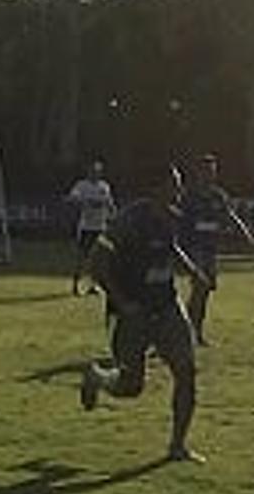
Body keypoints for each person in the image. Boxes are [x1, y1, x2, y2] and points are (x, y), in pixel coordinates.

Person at [80, 163, 213, 462]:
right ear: (157, 188)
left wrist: (192, 271)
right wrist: (123, 302)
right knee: (131, 387)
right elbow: (96, 264)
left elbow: (171, 246)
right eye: (174, 184)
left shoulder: (172, 217)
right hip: (132, 312)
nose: (179, 191)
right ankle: (98, 378)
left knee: (187, 371)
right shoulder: (129, 220)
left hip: (166, 304)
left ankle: (177, 446)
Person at [179, 154, 254, 345]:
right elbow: (178, 219)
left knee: (204, 292)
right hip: (195, 249)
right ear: (198, 173)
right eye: (206, 171)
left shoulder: (218, 195)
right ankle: (187, 333)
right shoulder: (188, 196)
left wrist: (245, 234)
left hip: (210, 249)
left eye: (213, 171)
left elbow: (230, 216)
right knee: (199, 288)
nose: (210, 175)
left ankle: (195, 332)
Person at [66, 160, 115, 295]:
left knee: (98, 260)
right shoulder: (82, 185)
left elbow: (110, 203)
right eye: (93, 171)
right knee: (81, 258)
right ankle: (75, 285)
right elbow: (71, 198)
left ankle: (92, 286)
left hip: (100, 227)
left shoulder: (104, 186)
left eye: (98, 171)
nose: (95, 174)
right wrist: (85, 201)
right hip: (87, 228)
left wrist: (113, 215)